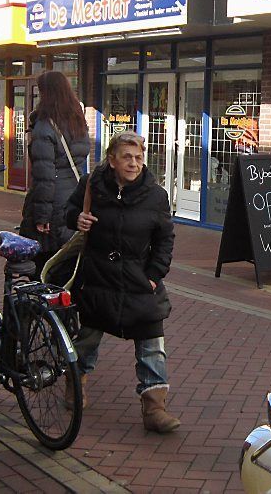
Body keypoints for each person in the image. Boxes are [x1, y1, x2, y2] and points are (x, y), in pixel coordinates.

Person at [66, 131, 179, 433]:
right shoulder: (92, 185)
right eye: (127, 157)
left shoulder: (155, 196)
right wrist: (77, 218)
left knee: (152, 342)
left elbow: (165, 239)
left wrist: (154, 276)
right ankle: (76, 383)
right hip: (98, 278)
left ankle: (155, 407)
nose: (134, 163)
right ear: (112, 160)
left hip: (138, 281)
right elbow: (68, 211)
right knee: (87, 338)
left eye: (139, 157)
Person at [19, 70, 90, 274]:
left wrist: (42, 216)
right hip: (73, 194)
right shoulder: (78, 122)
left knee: (43, 261)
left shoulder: (44, 126)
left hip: (53, 201)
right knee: (66, 258)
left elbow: (45, 176)